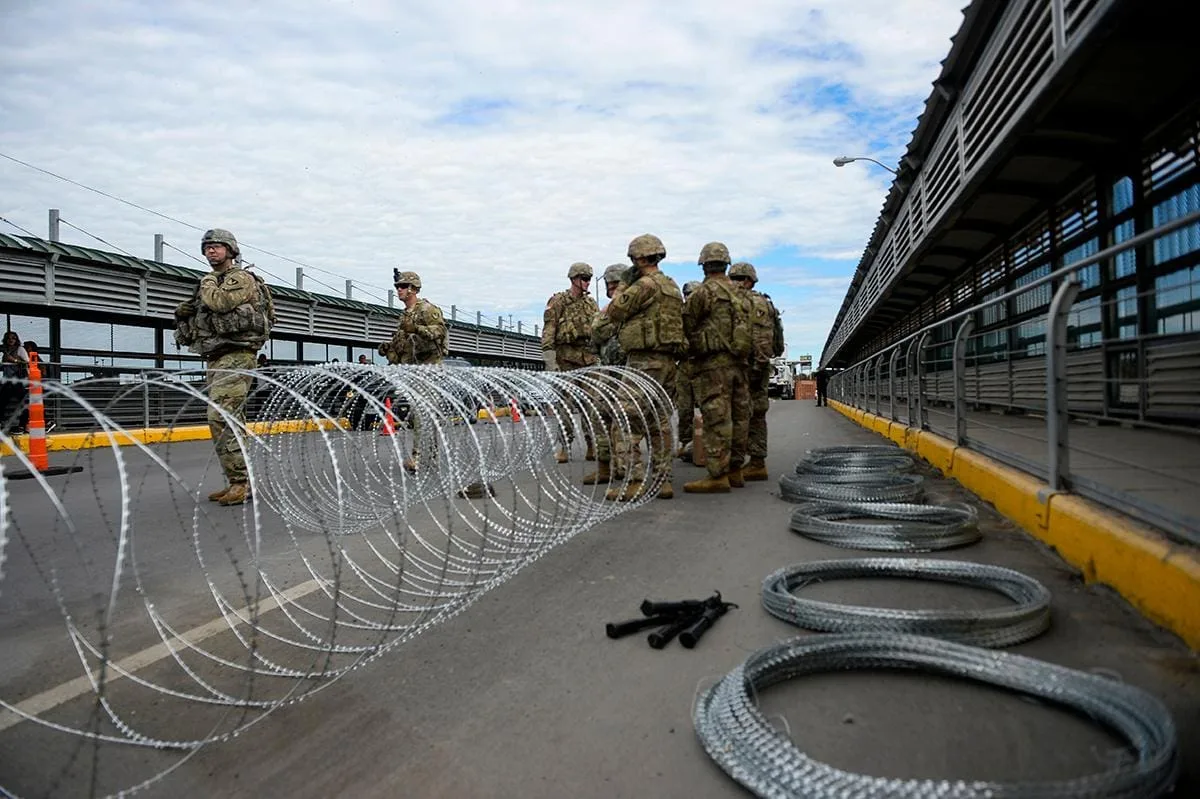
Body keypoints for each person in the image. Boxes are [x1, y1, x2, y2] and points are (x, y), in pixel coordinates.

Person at [174, 228, 275, 506]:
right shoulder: (213, 281)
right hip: (218, 355)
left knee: (220, 415)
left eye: (217, 246)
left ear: (230, 250)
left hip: (237, 355)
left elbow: (220, 303)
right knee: (231, 419)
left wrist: (206, 284)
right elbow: (198, 310)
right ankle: (238, 481)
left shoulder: (238, 278)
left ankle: (241, 482)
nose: (211, 251)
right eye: (207, 247)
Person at [602, 234, 685, 501]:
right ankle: (663, 481)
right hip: (668, 363)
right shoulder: (671, 286)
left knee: (625, 420)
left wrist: (624, 285)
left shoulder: (644, 286)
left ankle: (633, 481)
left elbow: (614, 311)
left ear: (637, 258)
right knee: (659, 422)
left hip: (643, 362)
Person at [682, 242, 752, 494]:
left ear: (704, 265)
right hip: (740, 364)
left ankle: (717, 475)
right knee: (740, 416)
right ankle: (735, 469)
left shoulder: (704, 293)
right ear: (726, 264)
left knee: (716, 417)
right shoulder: (741, 294)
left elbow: (687, 325)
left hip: (713, 365)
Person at [378, 269, 447, 471]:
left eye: (402, 286)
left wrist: (417, 329)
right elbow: (405, 344)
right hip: (413, 369)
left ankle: (418, 457)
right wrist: (388, 348)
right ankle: (430, 455)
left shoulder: (426, 309)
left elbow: (439, 332)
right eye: (397, 287)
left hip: (428, 369)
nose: (399, 290)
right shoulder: (406, 315)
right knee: (422, 414)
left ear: (413, 288)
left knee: (422, 413)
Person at [584, 263, 643, 485]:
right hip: (609, 372)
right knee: (600, 417)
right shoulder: (610, 310)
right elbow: (596, 335)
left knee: (624, 422)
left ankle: (625, 468)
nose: (612, 289)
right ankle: (605, 466)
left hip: (629, 372)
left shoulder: (629, 308)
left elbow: (600, 331)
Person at [729, 262, 784, 481]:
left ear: (749, 281)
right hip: (741, 366)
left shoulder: (756, 303)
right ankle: (740, 461)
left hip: (751, 368)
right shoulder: (739, 301)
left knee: (755, 413)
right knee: (740, 414)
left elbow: (762, 339)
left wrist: (756, 367)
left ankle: (756, 462)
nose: (733, 283)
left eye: (737, 279)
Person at [542, 262, 599, 463]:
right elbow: (549, 331)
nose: (587, 282)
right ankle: (565, 446)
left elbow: (598, 330)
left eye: (589, 279)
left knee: (590, 406)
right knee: (565, 407)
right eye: (584, 278)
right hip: (566, 361)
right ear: (574, 279)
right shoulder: (558, 301)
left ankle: (592, 445)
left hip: (589, 360)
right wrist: (551, 362)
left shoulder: (591, 304)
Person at [676, 281, 702, 462]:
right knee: (684, 408)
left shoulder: (706, 315)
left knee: (708, 408)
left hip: (702, 366)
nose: (690, 297)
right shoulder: (680, 316)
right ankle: (686, 443)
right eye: (688, 294)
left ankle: (704, 444)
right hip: (685, 365)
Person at [1, 331, 30, 434]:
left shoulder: (20, 349)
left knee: (23, 402)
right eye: (9, 338)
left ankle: (23, 425)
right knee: (2, 401)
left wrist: (14, 360)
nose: (11, 340)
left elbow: (27, 362)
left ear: (16, 340)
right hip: (7, 380)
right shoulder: (6, 351)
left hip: (18, 380)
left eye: (13, 338)